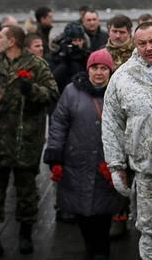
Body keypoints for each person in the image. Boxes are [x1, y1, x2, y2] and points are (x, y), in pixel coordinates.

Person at [102, 23, 152, 260]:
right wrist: (116, 166)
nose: (148, 48)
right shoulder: (123, 77)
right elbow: (111, 124)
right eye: (142, 43)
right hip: (148, 173)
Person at [0, 25, 59, 256]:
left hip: (26, 139)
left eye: (2, 37)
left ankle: (25, 235)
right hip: (0, 139)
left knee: (26, 191)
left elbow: (52, 93)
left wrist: (32, 90)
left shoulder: (36, 64)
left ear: (13, 41)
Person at [44, 50, 125, 260]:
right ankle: (91, 248)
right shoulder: (71, 92)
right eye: (94, 68)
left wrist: (122, 163)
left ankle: (102, 251)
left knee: (104, 213)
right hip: (76, 163)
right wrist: (55, 158)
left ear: (110, 70)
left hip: (106, 163)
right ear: (88, 69)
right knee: (81, 213)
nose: (99, 72)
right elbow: (58, 125)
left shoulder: (118, 91)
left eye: (103, 68)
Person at [52, 23, 90, 93]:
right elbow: (53, 80)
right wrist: (66, 59)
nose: (78, 43)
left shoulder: (87, 56)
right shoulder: (57, 57)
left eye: (80, 40)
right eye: (74, 40)